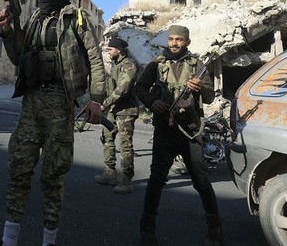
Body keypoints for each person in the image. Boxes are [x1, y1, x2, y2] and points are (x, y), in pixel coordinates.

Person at [0, 0, 105, 246]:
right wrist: (8, 30)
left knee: (53, 176)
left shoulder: (75, 18)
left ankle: (49, 241)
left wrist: (96, 98)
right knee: (18, 169)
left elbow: (94, 58)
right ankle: (9, 240)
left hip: (59, 102)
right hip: (31, 102)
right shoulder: (33, 19)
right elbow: (17, 57)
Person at [134, 25, 221, 246]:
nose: (174, 43)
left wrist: (199, 87)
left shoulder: (197, 65)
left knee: (201, 180)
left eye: (179, 40)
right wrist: (153, 102)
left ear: (187, 42)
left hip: (191, 130)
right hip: (165, 129)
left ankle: (214, 229)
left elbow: (210, 98)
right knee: (156, 179)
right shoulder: (156, 64)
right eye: (171, 39)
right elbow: (140, 88)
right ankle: (147, 230)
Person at [94, 36, 140, 194]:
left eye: (110, 49)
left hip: (126, 111)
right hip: (114, 109)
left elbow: (122, 89)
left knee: (125, 146)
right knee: (107, 137)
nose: (107, 52)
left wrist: (104, 105)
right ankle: (110, 173)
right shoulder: (117, 65)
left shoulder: (129, 65)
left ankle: (126, 181)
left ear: (119, 50)